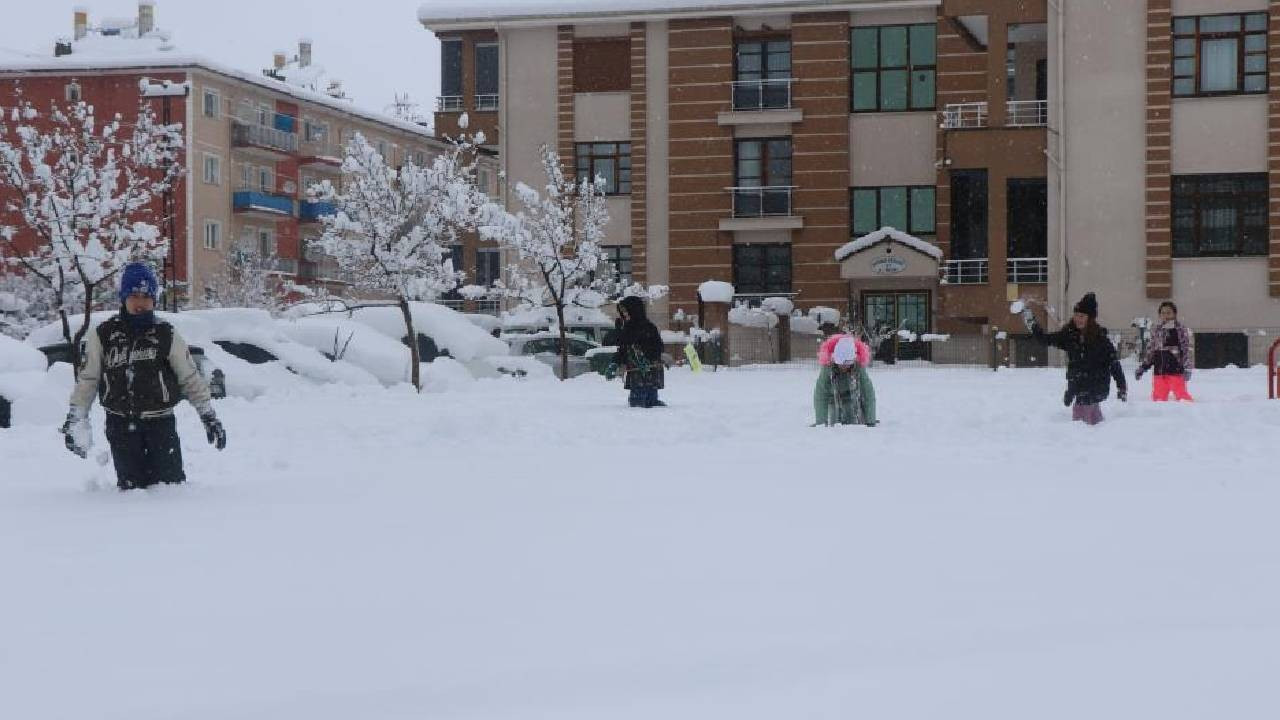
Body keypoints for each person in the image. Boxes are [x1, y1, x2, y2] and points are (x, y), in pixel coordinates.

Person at [60, 262, 227, 490]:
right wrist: (76, 417)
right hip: (121, 427)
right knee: (132, 494)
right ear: (124, 298)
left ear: (154, 300)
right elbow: (88, 379)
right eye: (134, 295)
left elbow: (189, 377)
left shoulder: (165, 334)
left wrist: (208, 415)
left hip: (160, 425)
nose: (140, 302)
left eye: (146, 296)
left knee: (171, 491)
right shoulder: (104, 335)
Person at [1023, 292, 1126, 425]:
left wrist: (1121, 386)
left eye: (1082, 316)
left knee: (1082, 427)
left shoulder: (1100, 339)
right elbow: (1044, 339)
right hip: (1080, 389)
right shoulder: (1070, 336)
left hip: (1095, 387)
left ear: (1090, 318)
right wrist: (1028, 317)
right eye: (1076, 315)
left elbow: (1113, 363)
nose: (1078, 319)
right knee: (1092, 425)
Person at [607, 295, 665, 408]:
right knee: (637, 404)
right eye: (622, 312)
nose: (624, 314)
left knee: (650, 404)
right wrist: (615, 363)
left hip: (650, 372)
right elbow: (623, 348)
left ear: (634, 310)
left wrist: (647, 357)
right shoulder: (627, 328)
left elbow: (658, 347)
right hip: (636, 373)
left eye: (626, 311)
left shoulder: (649, 327)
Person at [813, 325, 876, 427]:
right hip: (833, 398)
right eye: (842, 364)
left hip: (853, 398)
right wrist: (821, 422)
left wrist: (870, 420)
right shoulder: (827, 368)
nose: (844, 367)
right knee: (835, 423)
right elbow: (820, 396)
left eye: (848, 364)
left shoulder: (858, 367)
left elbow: (868, 394)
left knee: (853, 421)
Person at [1136, 301, 1194, 402]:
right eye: (1163, 313)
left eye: (1168, 312)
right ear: (1159, 315)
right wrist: (1143, 367)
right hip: (1159, 373)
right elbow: (1151, 351)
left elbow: (1188, 350)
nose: (1165, 315)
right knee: (1158, 400)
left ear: (1174, 314)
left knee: (1183, 399)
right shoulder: (1156, 330)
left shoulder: (1181, 330)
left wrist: (1187, 368)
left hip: (1176, 371)